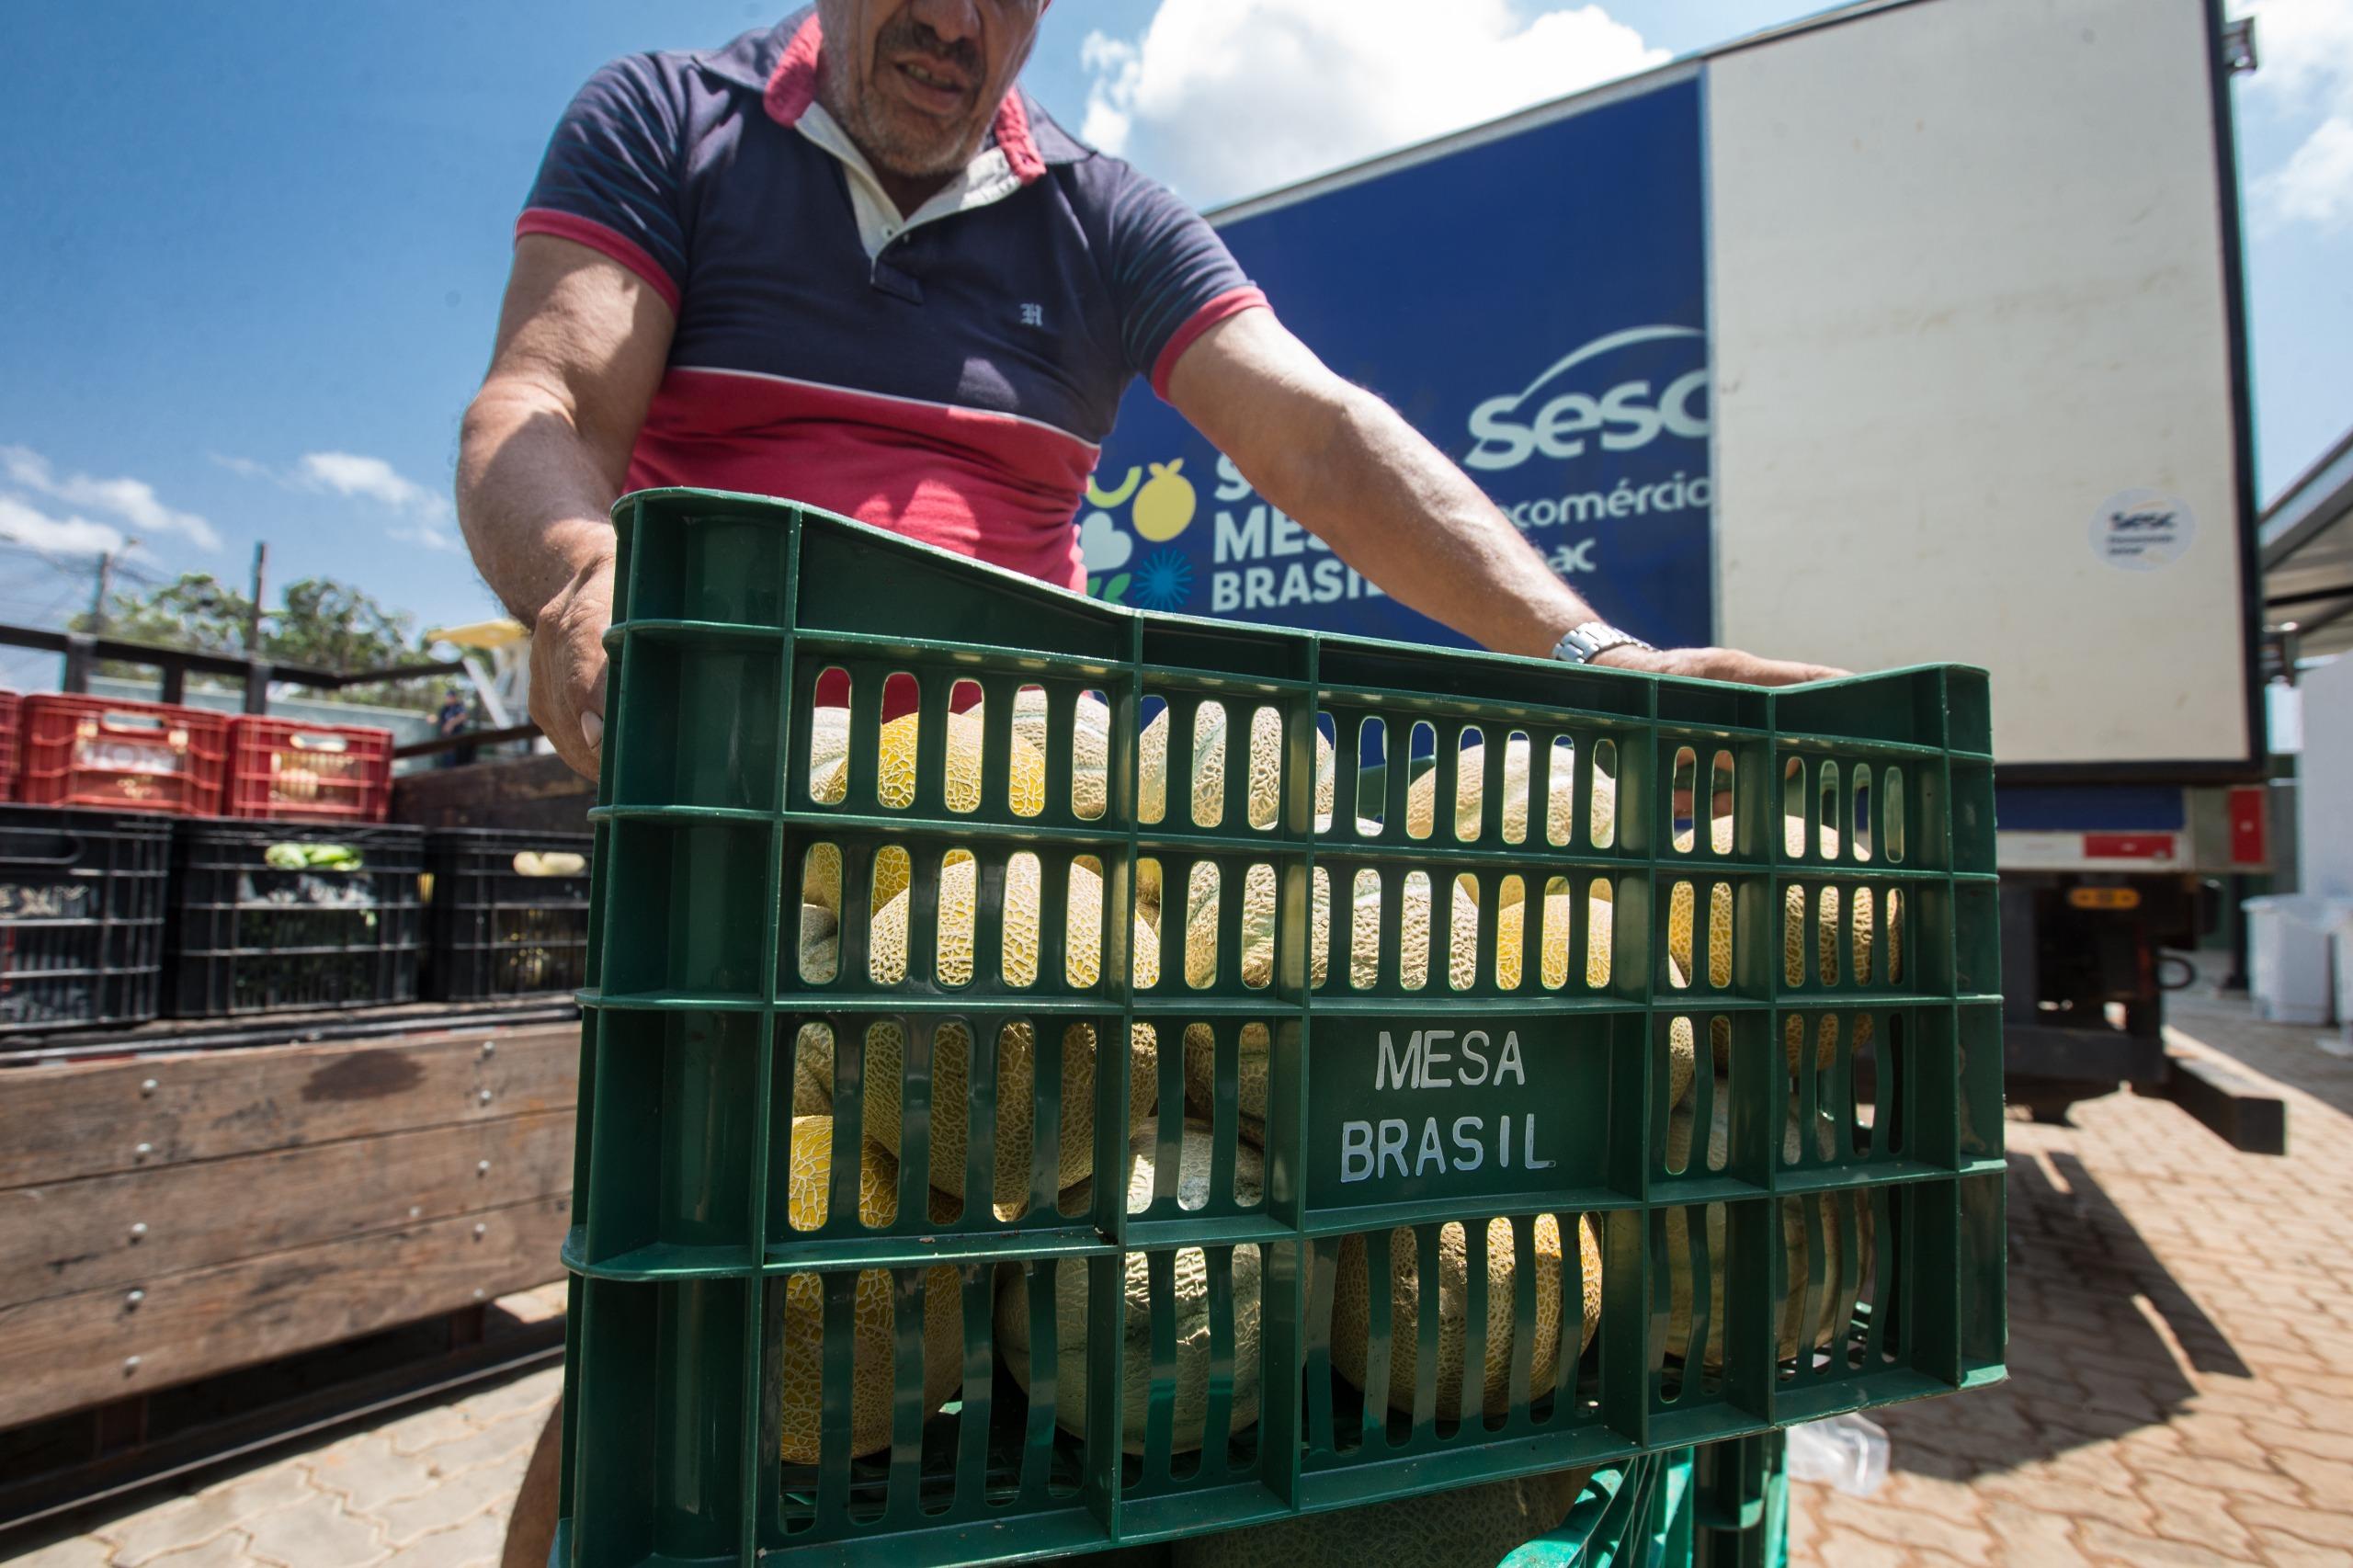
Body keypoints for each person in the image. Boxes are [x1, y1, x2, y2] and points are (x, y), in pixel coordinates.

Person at [460, 5, 1842, 1561]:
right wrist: (581, 567)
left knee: (1038, 1311)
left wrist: (1594, 657)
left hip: (1046, 870)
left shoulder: (1105, 212)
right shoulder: (668, 119)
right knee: (676, 1334)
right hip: (749, 846)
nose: (955, 17)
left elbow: (1316, 435)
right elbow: (543, 400)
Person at [433, 686, 475, 769]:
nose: (448, 699)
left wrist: (451, 723)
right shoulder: (444, 708)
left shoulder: (459, 706)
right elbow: (439, 719)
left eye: (450, 697)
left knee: (454, 760)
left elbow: (463, 716)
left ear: (454, 697)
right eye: (447, 697)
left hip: (456, 737)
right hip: (445, 738)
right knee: (446, 759)